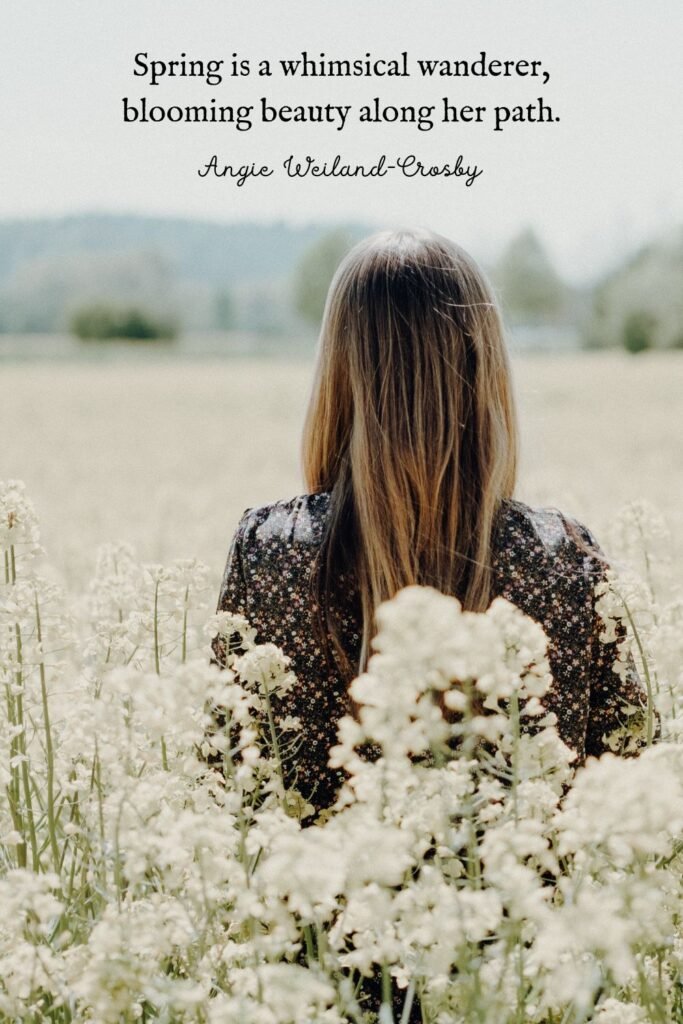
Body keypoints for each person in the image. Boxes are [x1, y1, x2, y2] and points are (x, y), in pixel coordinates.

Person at [212, 227, 656, 817]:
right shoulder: (568, 561)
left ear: (338, 376)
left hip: (314, 910)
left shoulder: (268, 550)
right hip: (526, 911)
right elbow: (631, 790)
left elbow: (224, 786)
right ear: (485, 373)